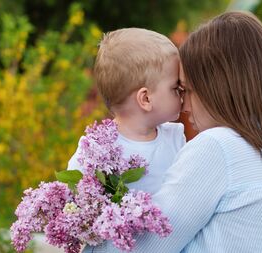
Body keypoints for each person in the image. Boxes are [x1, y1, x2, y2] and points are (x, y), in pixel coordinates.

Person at [104, 11, 262, 253]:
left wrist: (89, 226)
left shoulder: (218, 148)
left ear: (217, 86)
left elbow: (143, 247)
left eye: (187, 90)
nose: (184, 106)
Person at [66, 28, 186, 251]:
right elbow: (73, 196)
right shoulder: (97, 148)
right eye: (175, 88)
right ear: (146, 98)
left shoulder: (176, 137)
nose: (183, 94)